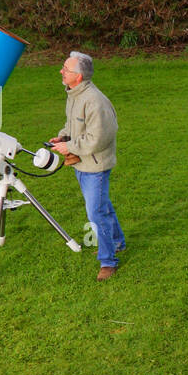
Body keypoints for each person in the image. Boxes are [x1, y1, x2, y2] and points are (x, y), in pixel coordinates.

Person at [49, 51, 126, 281]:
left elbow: (98, 139)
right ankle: (117, 242)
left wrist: (70, 147)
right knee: (102, 206)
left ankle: (108, 261)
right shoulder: (74, 94)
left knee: (96, 213)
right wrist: (63, 138)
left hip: (95, 166)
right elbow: (72, 124)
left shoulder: (95, 101)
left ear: (79, 77)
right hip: (81, 164)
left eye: (66, 69)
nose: (61, 71)